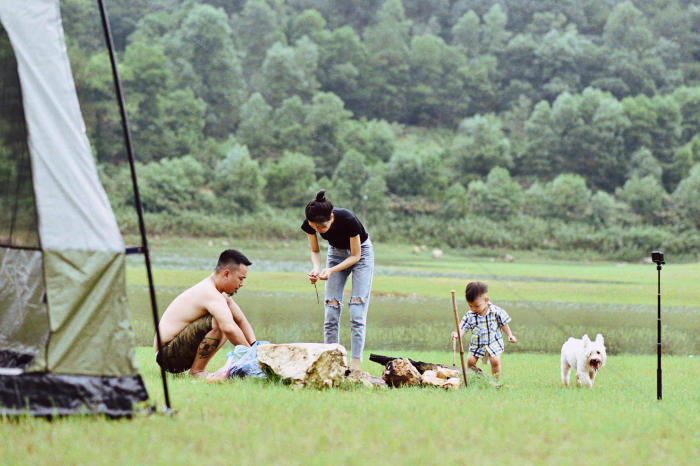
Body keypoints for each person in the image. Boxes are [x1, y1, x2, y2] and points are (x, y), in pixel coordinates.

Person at [154, 249, 257, 378]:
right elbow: (229, 328)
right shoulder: (209, 292)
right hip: (166, 355)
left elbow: (241, 320)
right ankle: (197, 371)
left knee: (227, 319)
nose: (241, 284)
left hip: (176, 351)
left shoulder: (221, 295)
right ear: (226, 274)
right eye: (240, 279)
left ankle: (197, 370)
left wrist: (255, 347)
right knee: (221, 322)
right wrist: (253, 359)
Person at [302, 189, 374, 371]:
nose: (318, 230)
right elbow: (315, 251)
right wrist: (317, 269)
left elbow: (356, 256)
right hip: (335, 253)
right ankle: (332, 363)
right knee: (331, 311)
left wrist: (331, 270)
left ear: (331, 218)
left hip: (361, 254)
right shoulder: (311, 224)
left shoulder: (348, 220)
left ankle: (355, 367)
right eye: (314, 227)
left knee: (357, 310)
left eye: (322, 227)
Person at [451, 281, 517, 380]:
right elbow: (463, 328)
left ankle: (496, 381)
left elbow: (504, 323)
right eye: (470, 306)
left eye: (476, 306)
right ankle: (472, 379)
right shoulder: (470, 315)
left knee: (495, 361)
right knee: (470, 362)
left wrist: (509, 335)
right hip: (477, 344)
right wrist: (457, 335)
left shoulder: (496, 311)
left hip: (493, 342)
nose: (473, 309)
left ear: (486, 300)